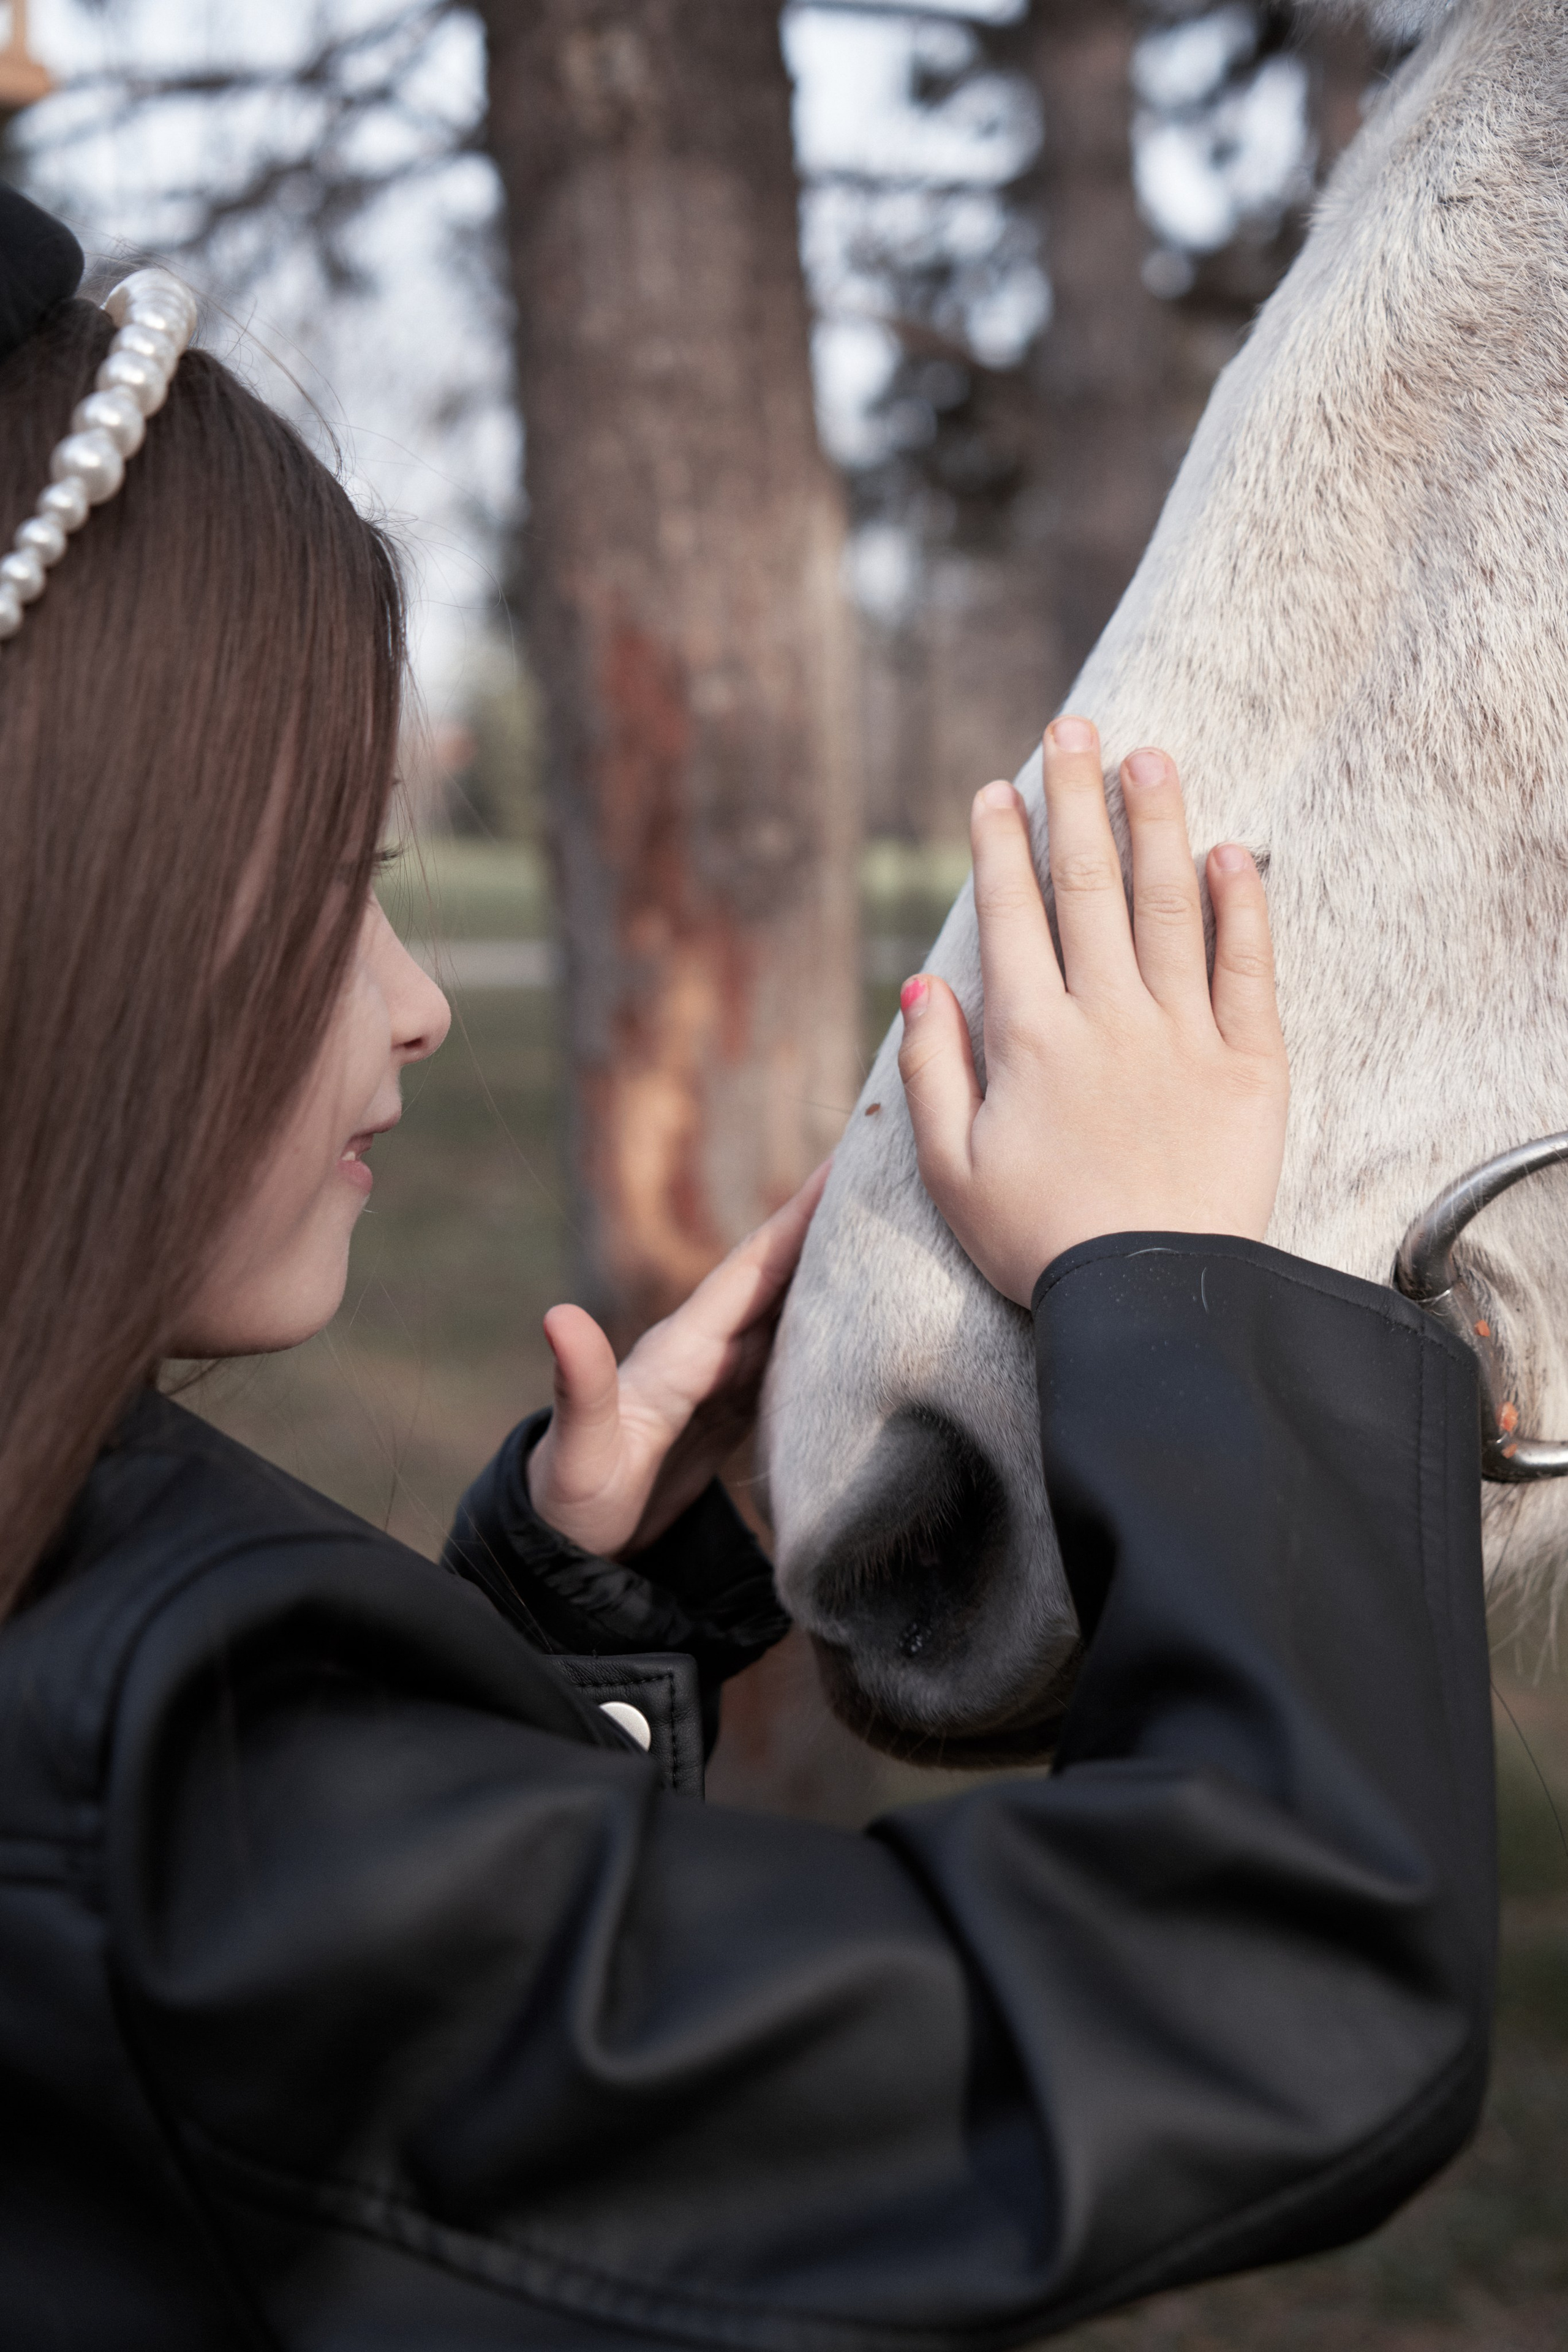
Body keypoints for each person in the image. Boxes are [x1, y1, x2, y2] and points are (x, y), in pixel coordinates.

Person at [0, 188, 1493, 2352]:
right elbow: (1261, 1996)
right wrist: (1179, 1289)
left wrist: (551, 1636)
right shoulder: (157, 1822)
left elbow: (394, 2162)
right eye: (341, 880)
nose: (418, 1003)